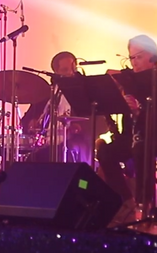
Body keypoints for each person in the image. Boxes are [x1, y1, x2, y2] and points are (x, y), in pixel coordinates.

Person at [97, 34, 157, 218]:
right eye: (131, 58)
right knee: (104, 149)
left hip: (152, 136)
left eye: (138, 57)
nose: (133, 63)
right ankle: (126, 200)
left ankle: (145, 206)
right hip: (131, 136)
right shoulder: (130, 80)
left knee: (142, 148)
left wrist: (140, 112)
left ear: (152, 57)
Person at [22, 51, 105, 164]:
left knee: (62, 153)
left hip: (75, 143)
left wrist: (80, 127)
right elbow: (26, 121)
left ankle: (79, 180)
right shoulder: (46, 93)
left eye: (73, 68)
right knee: (31, 159)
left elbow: (103, 124)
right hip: (46, 144)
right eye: (65, 70)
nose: (71, 73)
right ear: (56, 72)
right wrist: (31, 123)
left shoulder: (86, 91)